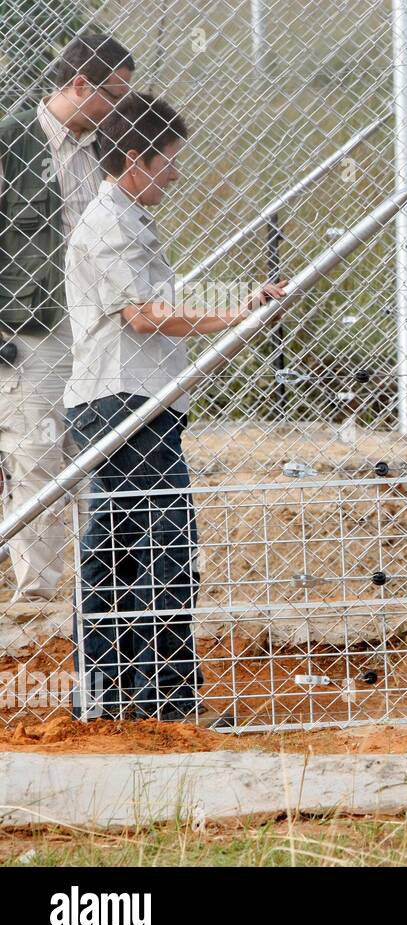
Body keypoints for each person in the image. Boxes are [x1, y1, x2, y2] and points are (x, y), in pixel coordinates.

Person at [63, 93, 286, 720]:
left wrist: (237, 302)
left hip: (133, 400)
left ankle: (119, 701)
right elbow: (146, 315)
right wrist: (234, 315)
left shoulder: (128, 217)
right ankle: (157, 704)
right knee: (159, 547)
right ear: (135, 159)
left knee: (125, 549)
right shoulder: (110, 223)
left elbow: (153, 305)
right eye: (168, 160)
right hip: (121, 404)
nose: (176, 172)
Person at [0, 35, 133, 623]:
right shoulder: (12, 141)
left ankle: (95, 593)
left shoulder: (109, 145)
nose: (120, 109)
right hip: (35, 322)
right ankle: (36, 600)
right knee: (35, 450)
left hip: (100, 320)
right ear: (79, 85)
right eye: (113, 95)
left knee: (97, 447)